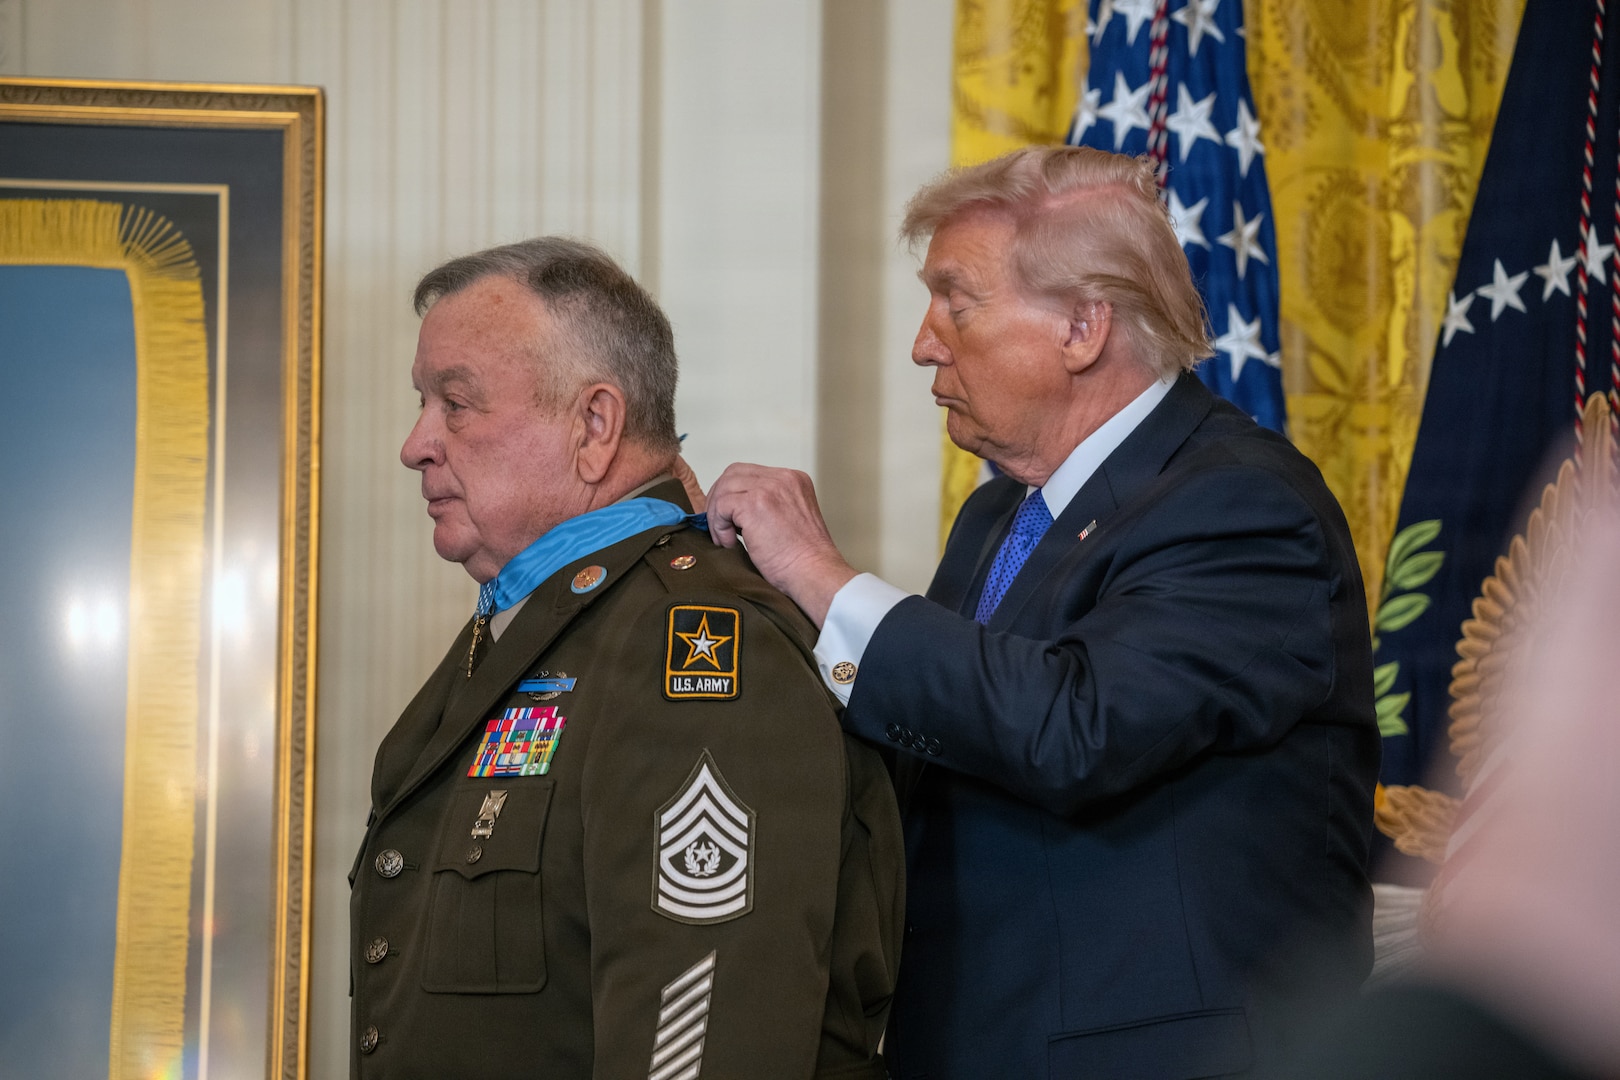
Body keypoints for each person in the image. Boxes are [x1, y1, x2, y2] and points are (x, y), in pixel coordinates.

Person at [705, 146, 1380, 1077]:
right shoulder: (999, 514)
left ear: (1082, 327)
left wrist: (820, 573)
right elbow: (943, 738)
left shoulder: (1244, 506)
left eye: (957, 301)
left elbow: (1071, 727)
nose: (924, 341)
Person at [349, 237, 903, 1080]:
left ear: (594, 425)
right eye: (424, 403)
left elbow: (709, 1037)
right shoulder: (554, 625)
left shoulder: (692, 644)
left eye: (455, 404)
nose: (416, 443)